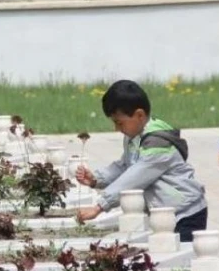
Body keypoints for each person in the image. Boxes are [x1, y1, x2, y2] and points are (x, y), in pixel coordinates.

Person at [74, 80, 208, 241]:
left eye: (119, 122)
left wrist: (100, 206)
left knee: (184, 259)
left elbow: (134, 177)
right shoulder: (134, 137)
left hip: (186, 212)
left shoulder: (157, 144)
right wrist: (96, 178)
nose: (116, 128)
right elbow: (125, 166)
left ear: (139, 115)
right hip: (165, 213)